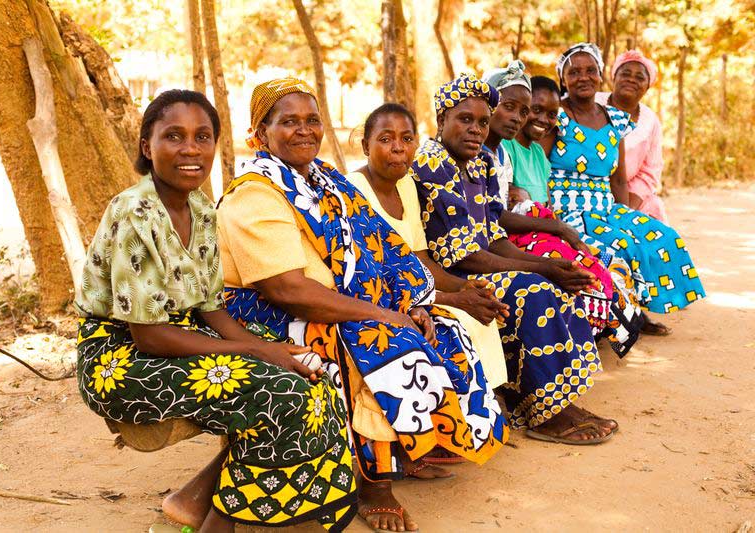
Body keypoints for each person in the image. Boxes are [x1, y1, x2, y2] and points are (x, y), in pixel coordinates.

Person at [217, 78, 507, 533]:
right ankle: (374, 484)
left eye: (312, 120)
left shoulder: (327, 180)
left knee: (443, 328)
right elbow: (286, 290)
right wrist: (385, 314)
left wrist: (412, 302)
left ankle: (414, 443)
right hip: (269, 316)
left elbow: (384, 249)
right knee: (382, 345)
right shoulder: (255, 193)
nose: (304, 130)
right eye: (288, 122)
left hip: (335, 302)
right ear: (261, 133)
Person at [75, 89, 356, 533]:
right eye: (174, 136)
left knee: (311, 372)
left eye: (203, 136)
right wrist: (259, 352)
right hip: (120, 359)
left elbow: (209, 305)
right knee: (280, 394)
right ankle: (223, 524)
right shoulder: (134, 212)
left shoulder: (203, 207)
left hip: (176, 336)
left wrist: (269, 346)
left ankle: (202, 503)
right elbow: (147, 334)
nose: (191, 149)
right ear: (147, 147)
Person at [410, 73, 618, 447]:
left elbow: (495, 237)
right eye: (465, 120)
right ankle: (545, 414)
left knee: (551, 279)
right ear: (441, 120)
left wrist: (545, 265)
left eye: (482, 122)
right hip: (450, 274)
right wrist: (539, 267)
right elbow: (466, 256)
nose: (476, 130)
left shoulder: (482, 163)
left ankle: (554, 401)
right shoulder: (433, 163)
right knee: (534, 290)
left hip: (482, 261)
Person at [347, 102, 511, 391]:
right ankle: (459, 412)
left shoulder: (407, 184)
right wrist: (454, 300)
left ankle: (489, 400)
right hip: (378, 302)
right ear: (365, 146)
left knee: (479, 313)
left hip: (416, 293)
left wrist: (465, 288)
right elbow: (373, 279)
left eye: (407, 139)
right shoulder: (354, 191)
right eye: (385, 139)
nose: (398, 148)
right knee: (455, 325)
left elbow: (422, 263)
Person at [484, 61, 643, 356]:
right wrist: (557, 226)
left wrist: (552, 222)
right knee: (567, 266)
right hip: (507, 239)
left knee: (602, 261)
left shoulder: (510, 154)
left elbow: (538, 201)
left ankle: (602, 334)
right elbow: (497, 216)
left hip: (525, 229)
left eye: (523, 110)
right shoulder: (490, 154)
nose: (519, 117)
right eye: (510, 107)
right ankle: (575, 345)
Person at [542, 43, 705, 328]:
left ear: (601, 76)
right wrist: (546, 215)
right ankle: (621, 320)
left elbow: (618, 177)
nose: (583, 77)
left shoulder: (615, 119)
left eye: (591, 70)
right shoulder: (558, 115)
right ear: (563, 78)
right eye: (574, 72)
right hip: (566, 210)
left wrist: (623, 215)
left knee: (661, 236)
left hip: (605, 207)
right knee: (619, 248)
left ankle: (637, 313)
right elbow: (540, 166)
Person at [596, 50, 667, 221]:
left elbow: (649, 172)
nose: (631, 80)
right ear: (614, 77)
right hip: (587, 186)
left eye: (640, 77)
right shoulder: (593, 103)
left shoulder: (651, 121)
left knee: (654, 215)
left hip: (630, 194)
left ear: (647, 86)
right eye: (625, 73)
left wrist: (625, 209)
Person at [503, 75, 561, 204]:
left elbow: (547, 206)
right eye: (536, 109)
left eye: (552, 115)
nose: (544, 120)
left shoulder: (539, 153)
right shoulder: (505, 146)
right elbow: (507, 203)